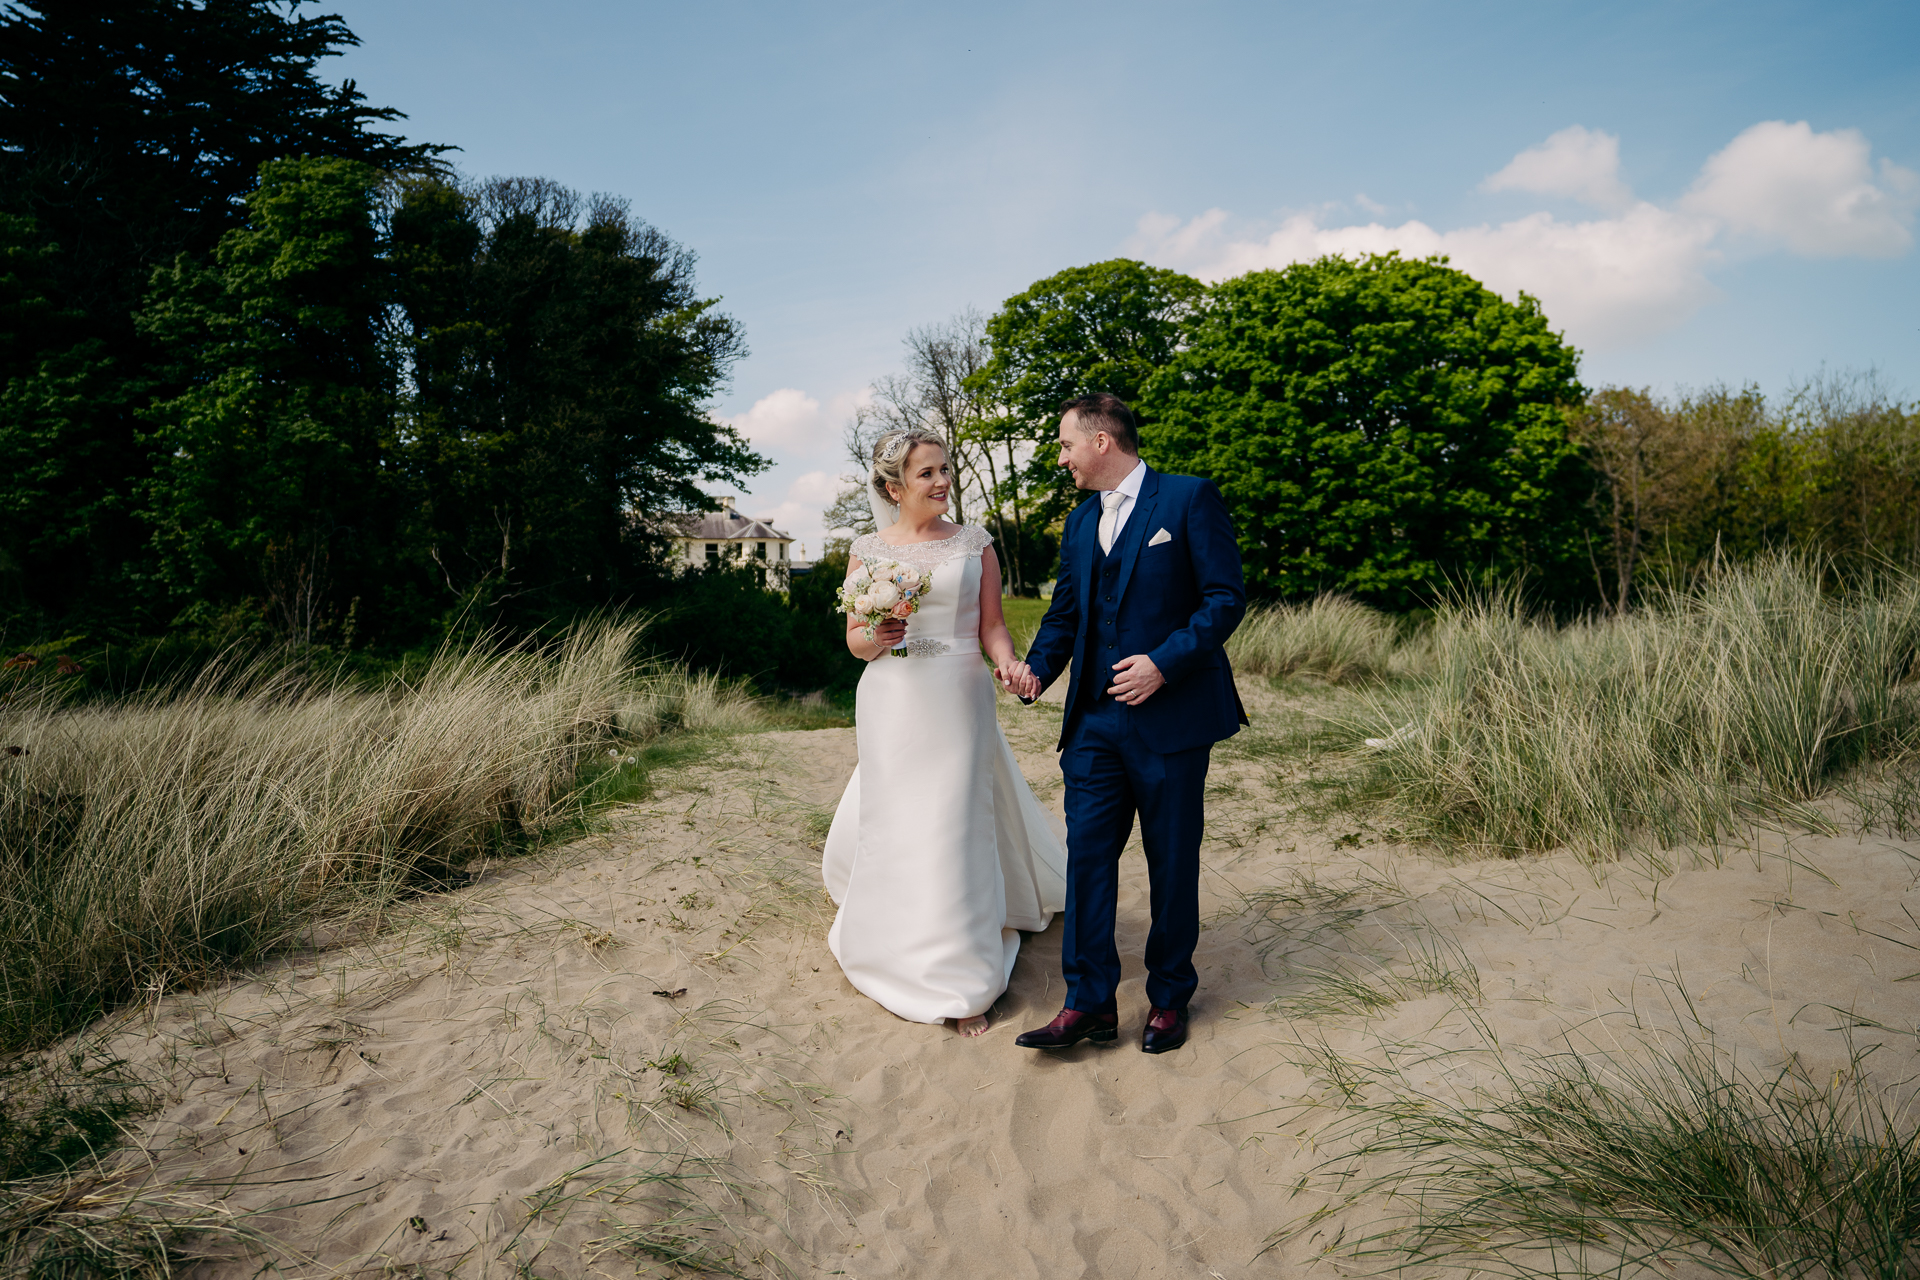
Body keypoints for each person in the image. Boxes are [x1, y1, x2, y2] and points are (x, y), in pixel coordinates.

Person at [1004, 394, 1246, 1055]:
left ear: (1102, 442)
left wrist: (1165, 664)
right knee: (1086, 861)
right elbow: (1064, 616)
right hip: (1092, 723)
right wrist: (1036, 671)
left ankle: (1168, 998)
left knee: (1171, 862)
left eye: (1064, 445)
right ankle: (1089, 1003)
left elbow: (1226, 598)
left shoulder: (1189, 499)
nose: (1061, 458)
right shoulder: (1080, 522)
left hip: (1170, 720)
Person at [821, 427, 1067, 1037]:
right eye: (927, 473)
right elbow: (854, 640)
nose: (941, 482)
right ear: (892, 487)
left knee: (955, 823)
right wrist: (873, 638)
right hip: (891, 698)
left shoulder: (974, 544)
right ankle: (895, 945)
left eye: (944, 469)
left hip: (959, 694)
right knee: (900, 823)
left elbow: (992, 628)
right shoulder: (866, 550)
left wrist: (1009, 663)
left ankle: (961, 976)